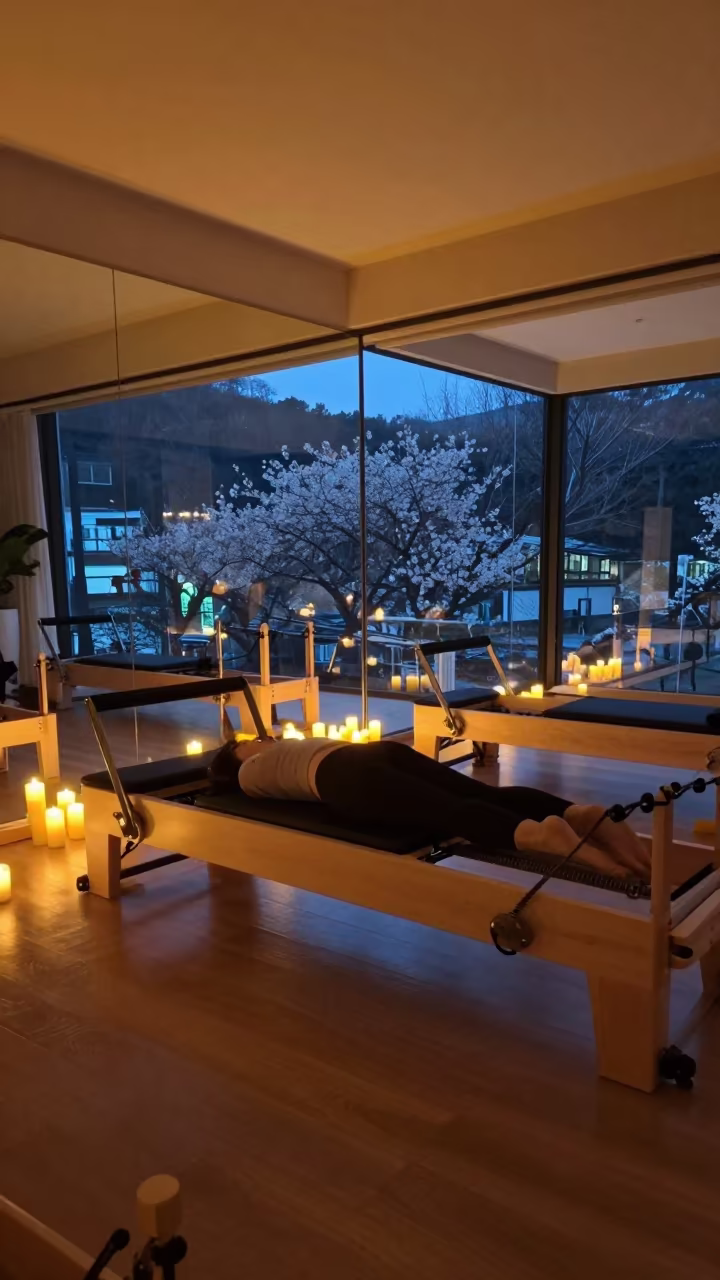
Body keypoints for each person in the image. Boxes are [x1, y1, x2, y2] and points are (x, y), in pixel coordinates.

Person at [209, 736, 649, 880]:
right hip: (373, 753)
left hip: (343, 778)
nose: (257, 738)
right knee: (481, 795)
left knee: (451, 813)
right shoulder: (254, 765)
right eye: (247, 742)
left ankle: (535, 834)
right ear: (239, 754)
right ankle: (575, 813)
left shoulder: (255, 774)